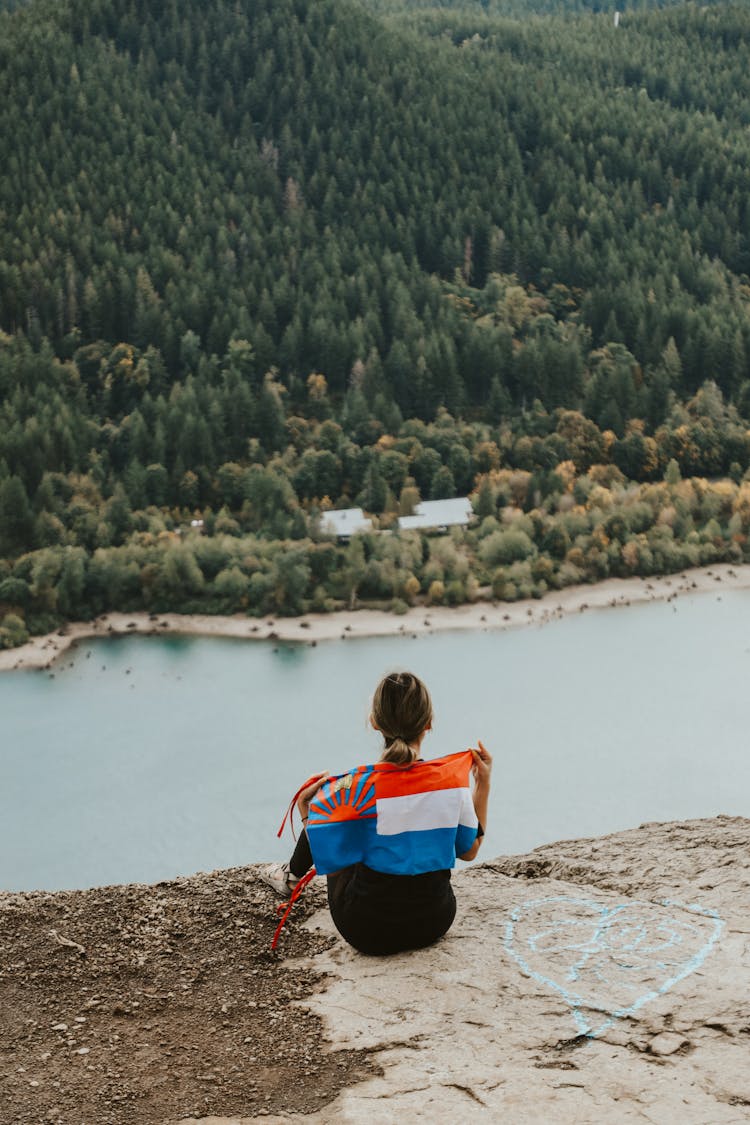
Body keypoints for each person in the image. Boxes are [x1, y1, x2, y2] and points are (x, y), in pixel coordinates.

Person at [261, 670, 492, 955]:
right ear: (429, 723)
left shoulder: (352, 788)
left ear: (374, 722)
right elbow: (470, 852)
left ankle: (289, 878)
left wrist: (307, 811)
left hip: (366, 931)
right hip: (433, 921)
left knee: (337, 824)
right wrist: (482, 785)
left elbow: (327, 846)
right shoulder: (450, 784)